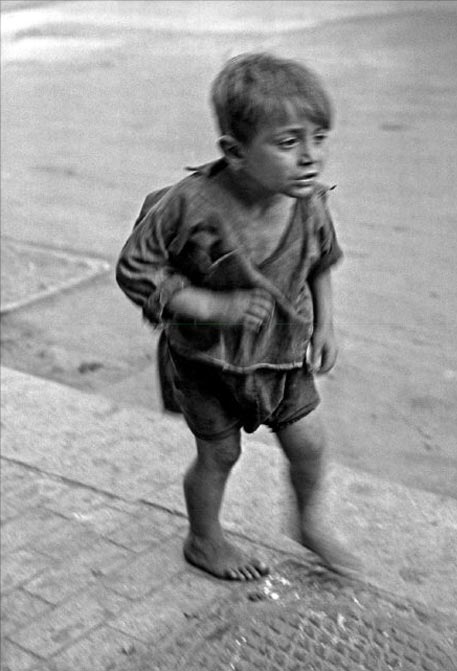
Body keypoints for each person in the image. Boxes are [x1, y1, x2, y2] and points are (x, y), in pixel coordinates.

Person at [116, 52, 358, 581]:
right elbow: (135, 270)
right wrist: (210, 306)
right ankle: (203, 538)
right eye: (289, 142)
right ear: (235, 151)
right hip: (207, 359)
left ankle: (308, 521)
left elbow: (320, 260)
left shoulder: (308, 201)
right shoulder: (187, 205)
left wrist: (325, 324)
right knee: (219, 454)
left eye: (319, 138)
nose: (311, 157)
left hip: (282, 353)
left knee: (309, 443)